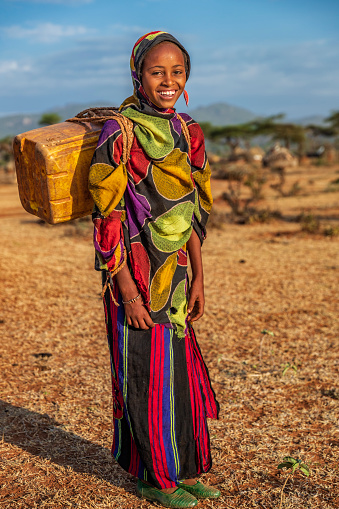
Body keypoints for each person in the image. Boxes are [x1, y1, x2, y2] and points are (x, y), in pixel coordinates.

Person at [89, 31, 220, 508]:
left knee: (178, 376)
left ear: (186, 78)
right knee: (145, 373)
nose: (167, 80)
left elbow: (193, 213)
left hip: (178, 276)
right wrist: (125, 290)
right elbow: (107, 218)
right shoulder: (118, 133)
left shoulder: (189, 131)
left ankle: (183, 470)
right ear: (138, 77)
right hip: (136, 276)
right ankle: (154, 478)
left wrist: (199, 276)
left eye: (176, 72)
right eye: (156, 71)